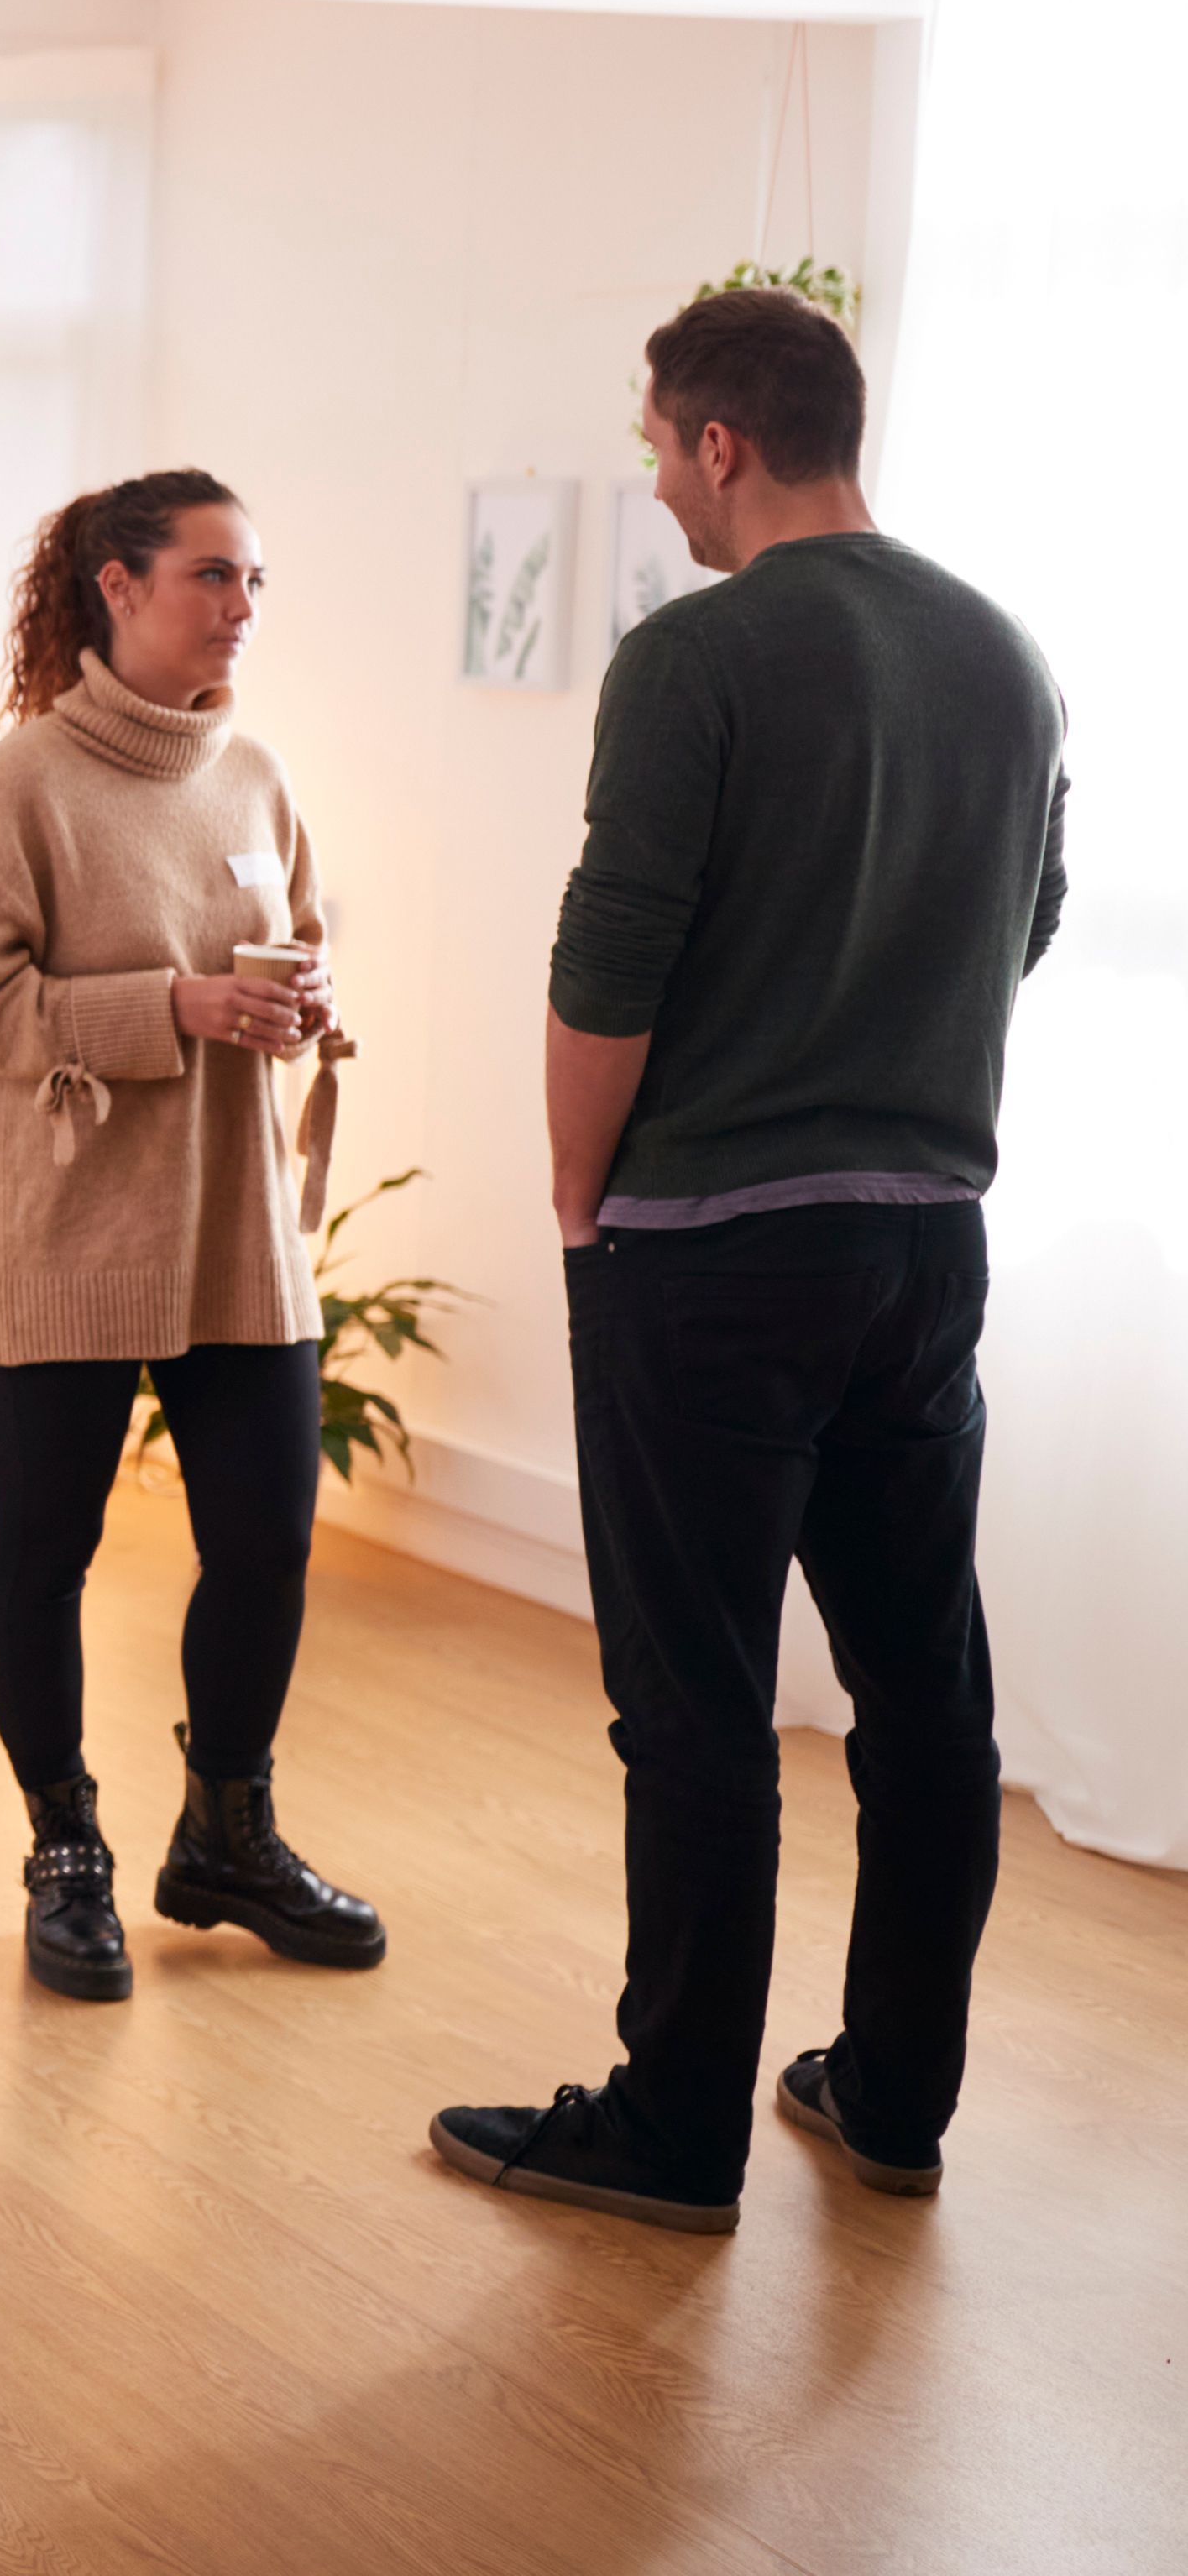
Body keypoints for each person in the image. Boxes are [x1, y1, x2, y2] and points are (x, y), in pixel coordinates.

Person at [437, 289, 1067, 2234]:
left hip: (711, 1253)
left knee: (698, 1702)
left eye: (656, 447)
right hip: (925, 1242)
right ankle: (894, 2102)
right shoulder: (1004, 649)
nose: (655, 483)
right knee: (920, 1691)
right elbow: (1026, 917)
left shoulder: (696, 654)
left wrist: (573, 1197)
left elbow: (610, 956)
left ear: (722, 442)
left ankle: (676, 2126)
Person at [0, 470, 384, 2003]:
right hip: (63, 1233)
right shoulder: (20, 790)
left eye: (255, 582)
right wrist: (173, 1007)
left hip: (235, 1234)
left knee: (269, 1539)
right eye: (214, 577)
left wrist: (301, 995)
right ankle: (65, 1847)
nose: (243, 608)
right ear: (116, 589)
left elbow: (300, 939)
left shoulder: (255, 776)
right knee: (46, 1546)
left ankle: (226, 1834)